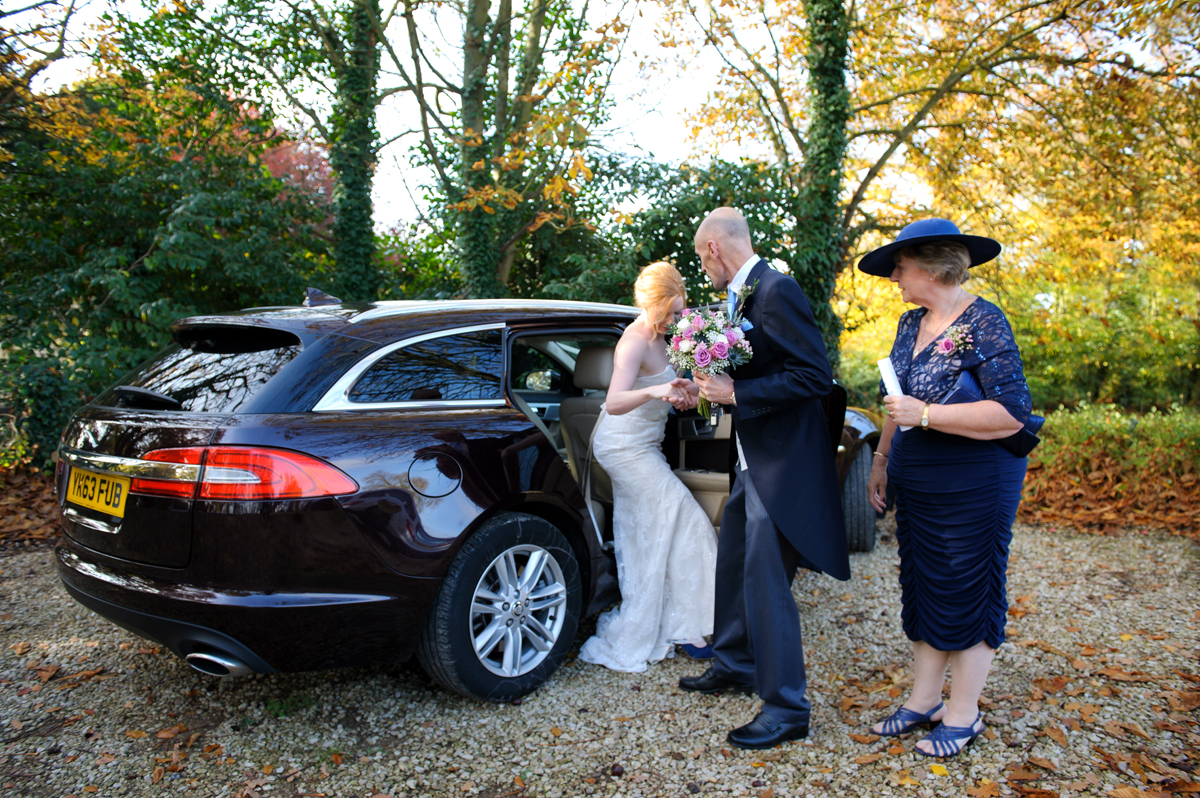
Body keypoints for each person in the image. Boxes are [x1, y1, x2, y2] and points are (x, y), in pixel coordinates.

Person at [858, 218, 1032, 758]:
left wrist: (928, 414)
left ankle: (964, 713)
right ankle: (925, 699)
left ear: (933, 267)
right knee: (924, 583)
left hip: (977, 478)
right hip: (918, 475)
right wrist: (882, 457)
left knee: (969, 584)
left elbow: (1010, 414)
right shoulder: (910, 324)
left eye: (900, 267)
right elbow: (896, 401)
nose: (894, 277)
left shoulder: (985, 321)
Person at [682, 207, 850, 750]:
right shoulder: (737, 298)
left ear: (713, 249)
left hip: (782, 462)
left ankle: (786, 707)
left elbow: (814, 375)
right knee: (733, 560)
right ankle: (734, 662)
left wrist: (738, 393)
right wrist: (713, 380)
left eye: (700, 257)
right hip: (750, 454)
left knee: (766, 581)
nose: (702, 267)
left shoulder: (775, 290)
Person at [577, 262, 719, 673]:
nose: (677, 320)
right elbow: (615, 401)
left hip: (647, 445)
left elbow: (669, 389)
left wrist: (687, 390)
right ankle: (689, 627)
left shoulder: (669, 337)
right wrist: (658, 389)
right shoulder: (634, 339)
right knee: (688, 520)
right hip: (622, 446)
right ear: (652, 304)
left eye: (679, 311)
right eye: (671, 312)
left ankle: (682, 624)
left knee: (654, 533)